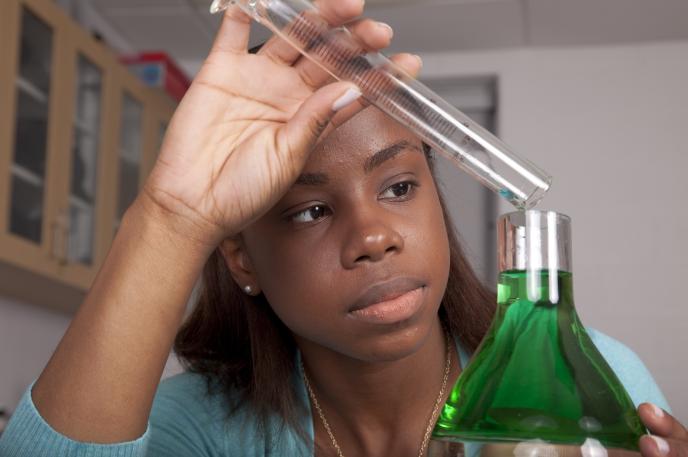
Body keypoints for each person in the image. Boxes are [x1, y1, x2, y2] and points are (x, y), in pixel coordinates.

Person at [0, 1, 684, 456]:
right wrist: (172, 216)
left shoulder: (587, 378)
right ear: (241, 259)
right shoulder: (193, 429)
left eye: (399, 186)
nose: (374, 236)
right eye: (309, 210)